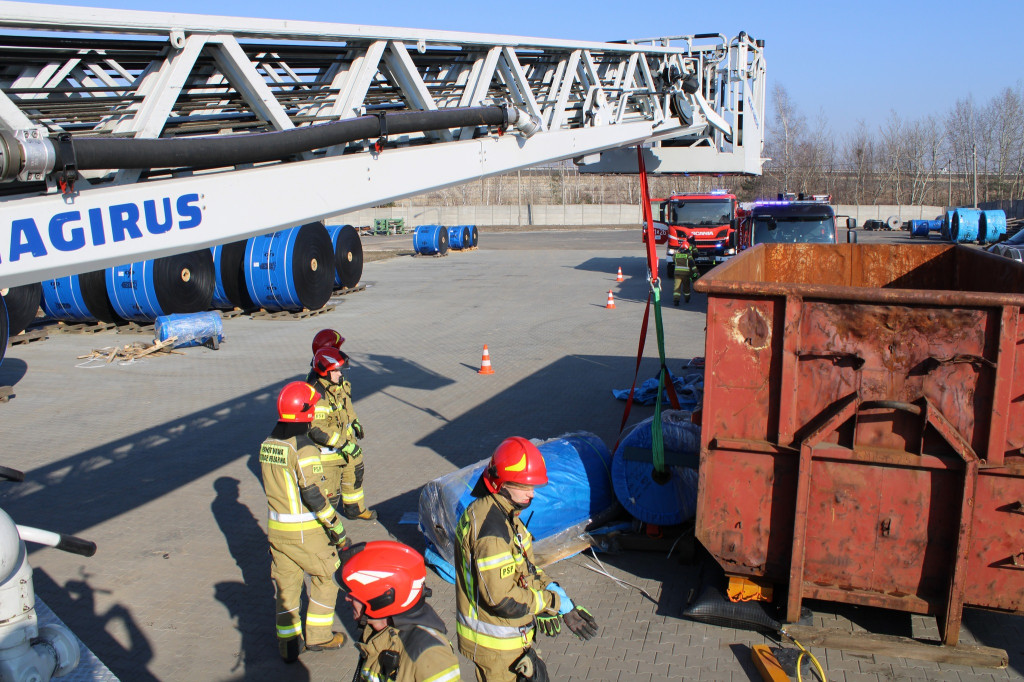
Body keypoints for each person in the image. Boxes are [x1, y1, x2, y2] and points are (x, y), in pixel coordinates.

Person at [455, 437, 599, 682]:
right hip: (497, 646)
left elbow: (522, 567)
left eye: (532, 486)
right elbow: (501, 598)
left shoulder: (502, 513)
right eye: (523, 486)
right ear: (501, 483)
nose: (531, 493)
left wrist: (555, 593)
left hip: (507, 638)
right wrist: (550, 602)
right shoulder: (492, 531)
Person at [259, 381, 349, 662]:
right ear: (305, 412)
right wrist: (335, 525)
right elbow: (313, 493)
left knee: (287, 587)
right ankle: (319, 636)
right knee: (328, 576)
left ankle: (288, 643)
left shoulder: (269, 444)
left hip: (277, 531)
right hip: (305, 531)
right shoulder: (304, 448)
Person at [337, 541, 461, 682]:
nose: (347, 598)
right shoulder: (375, 634)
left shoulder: (430, 655)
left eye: (354, 594)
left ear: (381, 599)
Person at [306, 331, 374, 521]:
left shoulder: (336, 382)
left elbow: (345, 405)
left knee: (355, 472)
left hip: (345, 442)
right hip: (330, 450)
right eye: (337, 370)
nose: (341, 373)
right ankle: (328, 526)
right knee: (329, 491)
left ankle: (355, 509)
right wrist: (343, 444)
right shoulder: (316, 391)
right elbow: (317, 429)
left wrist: (354, 421)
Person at [673, 237, 699, 305]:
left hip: (677, 274)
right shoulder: (688, 256)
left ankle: (676, 300)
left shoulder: (676, 255)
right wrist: (696, 272)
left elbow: (673, 259)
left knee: (677, 287)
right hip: (686, 274)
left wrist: (678, 251)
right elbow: (693, 266)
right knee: (686, 287)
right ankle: (687, 298)